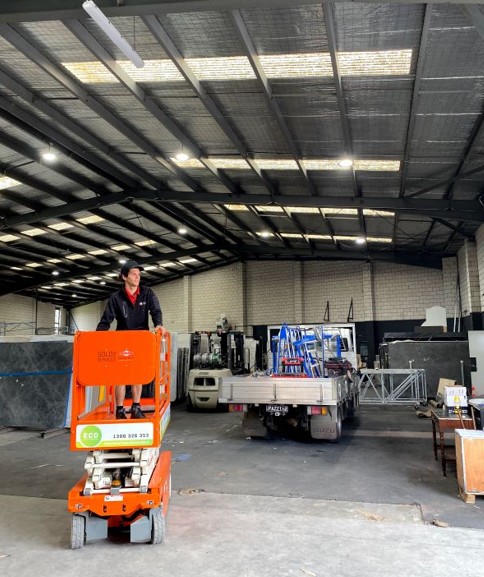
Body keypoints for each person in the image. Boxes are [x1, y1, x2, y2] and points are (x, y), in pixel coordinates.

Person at [96, 260, 162, 419]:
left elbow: (155, 311)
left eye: (139, 274)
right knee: (121, 376)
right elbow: (106, 320)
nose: (137, 277)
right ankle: (120, 410)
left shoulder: (147, 293)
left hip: (141, 340)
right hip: (122, 340)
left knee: (137, 375)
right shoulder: (116, 298)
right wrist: (97, 338)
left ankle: (136, 408)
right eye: (133, 274)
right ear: (124, 277)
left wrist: (159, 325)